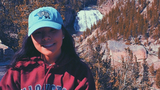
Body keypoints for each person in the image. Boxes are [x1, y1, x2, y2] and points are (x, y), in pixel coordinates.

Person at [0, 7, 95, 90]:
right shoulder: (19, 70)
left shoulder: (79, 72)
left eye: (52, 30)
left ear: (63, 33)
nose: (46, 37)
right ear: (31, 38)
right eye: (38, 32)